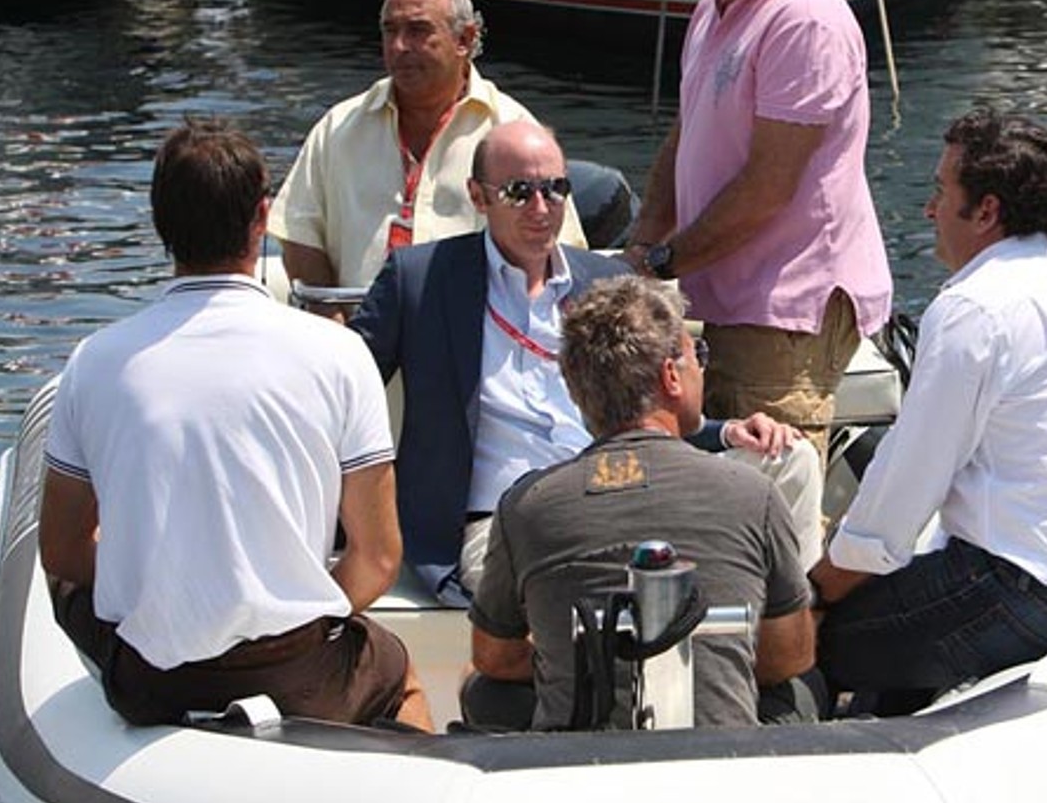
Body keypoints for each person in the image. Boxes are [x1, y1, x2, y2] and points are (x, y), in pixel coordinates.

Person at [38, 119, 431, 730]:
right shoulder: (339, 353)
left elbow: (61, 549)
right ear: (261, 217)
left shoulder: (94, 362)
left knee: (67, 589)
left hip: (156, 679)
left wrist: (155, 586)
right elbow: (379, 558)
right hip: (298, 667)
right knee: (398, 678)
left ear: (159, 224)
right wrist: (304, 613)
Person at [351, 119, 821, 606]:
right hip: (507, 520)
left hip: (628, 492)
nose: (540, 208)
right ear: (478, 196)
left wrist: (726, 434)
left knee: (789, 459)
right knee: (618, 569)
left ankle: (786, 647)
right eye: (519, 192)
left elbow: (650, 410)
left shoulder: (609, 280)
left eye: (555, 190)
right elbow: (342, 386)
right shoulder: (420, 279)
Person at [810, 108, 1047, 702]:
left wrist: (819, 591)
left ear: (986, 210)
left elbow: (909, 483)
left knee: (827, 641)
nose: (929, 211)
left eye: (939, 192)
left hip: (1035, 595)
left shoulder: (977, 308)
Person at [625, 0, 891, 457]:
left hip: (783, 315)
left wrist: (666, 264)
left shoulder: (804, 18)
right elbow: (688, 133)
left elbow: (769, 188)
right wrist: (643, 242)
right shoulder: (717, 3)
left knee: (772, 501)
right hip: (721, 297)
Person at [469, 276, 815, 730]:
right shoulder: (753, 494)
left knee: (485, 696)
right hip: (723, 761)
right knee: (801, 694)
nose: (702, 370)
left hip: (576, 760)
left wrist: (573, 659)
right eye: (699, 357)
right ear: (671, 376)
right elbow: (789, 655)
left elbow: (493, 656)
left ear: (575, 393)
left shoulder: (526, 508)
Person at [269, 0, 583, 296]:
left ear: (465, 39)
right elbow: (299, 233)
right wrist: (335, 325)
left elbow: (555, 251)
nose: (400, 45)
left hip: (477, 340)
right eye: (390, 31)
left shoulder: (513, 131)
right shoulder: (338, 127)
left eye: (418, 30)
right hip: (355, 337)